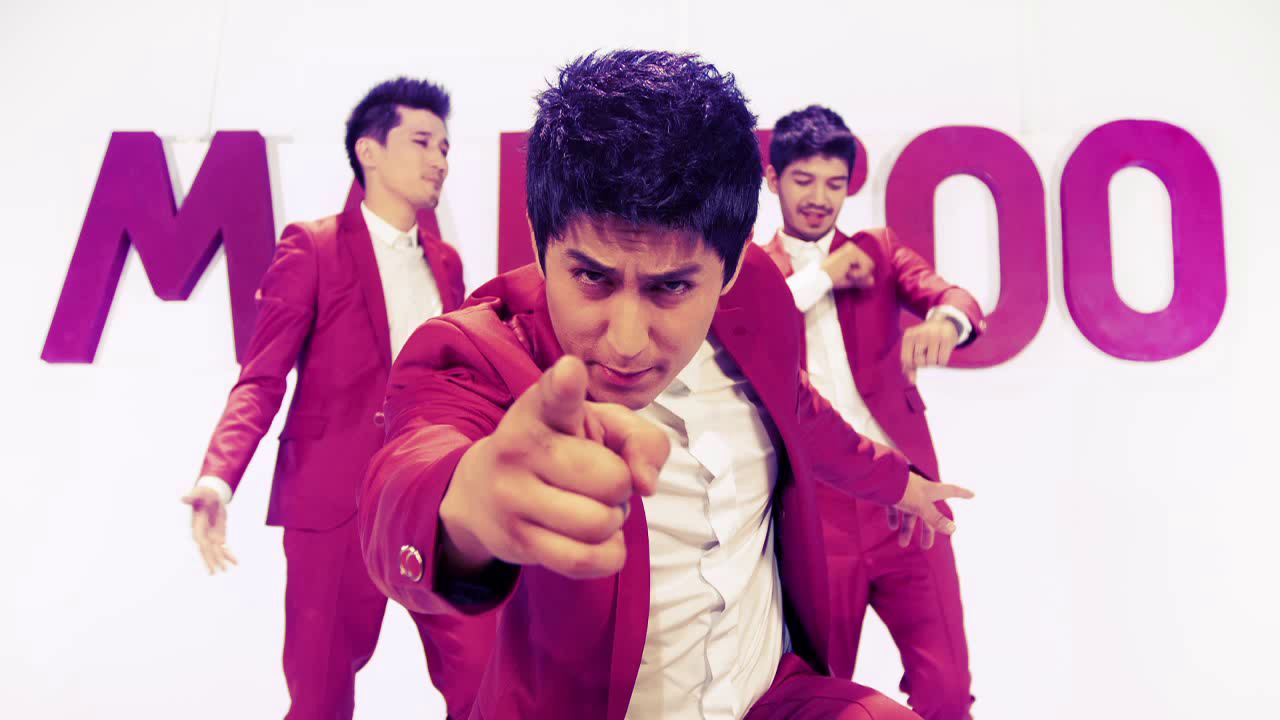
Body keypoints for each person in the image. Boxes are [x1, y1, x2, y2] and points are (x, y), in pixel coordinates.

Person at [358, 51, 973, 719]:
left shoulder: (760, 298)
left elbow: (801, 411)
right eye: (592, 277)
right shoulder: (477, 350)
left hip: (774, 700)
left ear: (731, 265)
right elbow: (413, 467)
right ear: (539, 242)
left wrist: (900, 483)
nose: (626, 340)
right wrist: (466, 507)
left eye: (671, 286)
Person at [181, 76, 493, 719]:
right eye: (422, 141)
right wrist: (218, 477)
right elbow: (262, 376)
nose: (440, 160)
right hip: (332, 503)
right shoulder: (313, 246)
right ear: (368, 151)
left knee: (482, 678)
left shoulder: (448, 263)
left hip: (434, 498)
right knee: (320, 695)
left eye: (445, 147)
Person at [761, 105, 985, 719]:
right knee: (822, 690)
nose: (819, 198)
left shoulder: (878, 250)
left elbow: (953, 296)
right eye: (804, 180)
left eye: (835, 183)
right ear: (773, 179)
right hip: (816, 509)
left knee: (946, 688)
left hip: (907, 497)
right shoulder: (757, 271)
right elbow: (755, 330)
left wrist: (946, 321)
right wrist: (823, 276)